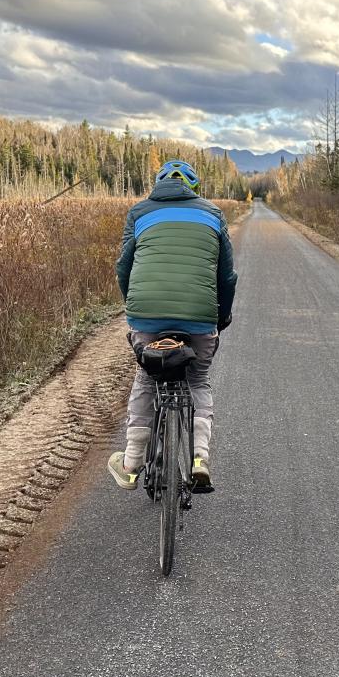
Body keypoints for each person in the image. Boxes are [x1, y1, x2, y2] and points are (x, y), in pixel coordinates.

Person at [107, 160, 237, 492]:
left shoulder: (139, 212)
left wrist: (134, 307)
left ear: (157, 185)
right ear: (194, 188)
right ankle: (199, 458)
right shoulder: (213, 214)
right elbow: (226, 276)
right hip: (200, 318)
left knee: (146, 378)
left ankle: (131, 463)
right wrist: (220, 316)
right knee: (198, 380)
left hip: (146, 315)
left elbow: (124, 267)